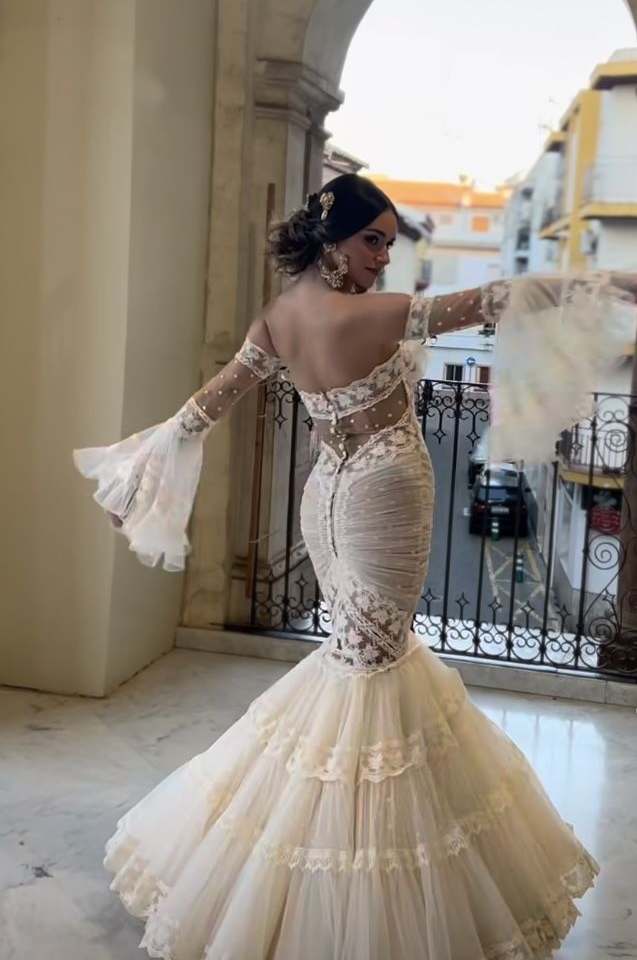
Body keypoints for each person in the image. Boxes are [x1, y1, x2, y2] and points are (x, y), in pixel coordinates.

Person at [74, 173, 637, 960]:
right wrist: (610, 283)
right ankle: (349, 896)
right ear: (330, 236)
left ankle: (303, 870)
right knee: (371, 673)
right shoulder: (376, 314)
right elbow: (501, 297)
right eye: (372, 238)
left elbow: (203, 408)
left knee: (359, 665)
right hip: (382, 496)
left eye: (391, 242)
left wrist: (138, 478)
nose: (382, 256)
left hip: (327, 500)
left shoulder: (275, 320)